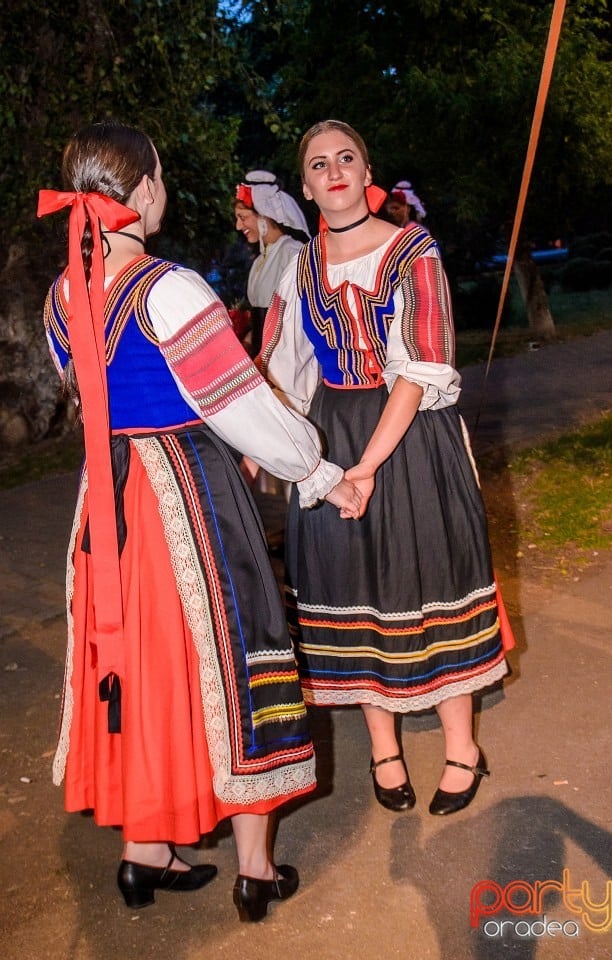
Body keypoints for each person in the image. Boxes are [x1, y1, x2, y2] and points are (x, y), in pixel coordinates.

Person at [37, 121, 360, 919]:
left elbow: (91, 400)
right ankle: (255, 869)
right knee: (236, 653)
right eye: (163, 178)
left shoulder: (58, 299)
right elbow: (242, 407)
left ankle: (145, 855)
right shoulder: (169, 288)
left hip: (107, 509)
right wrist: (317, 470)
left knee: (139, 668)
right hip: (183, 493)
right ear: (143, 190)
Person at [259, 120, 513, 817]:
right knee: (355, 587)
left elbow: (420, 366)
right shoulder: (298, 267)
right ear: (306, 185)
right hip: (332, 435)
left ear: (366, 168)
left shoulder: (412, 251)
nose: (334, 170)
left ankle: (461, 746)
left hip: (410, 438)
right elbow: (283, 370)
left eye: (346, 158)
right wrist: (274, 453)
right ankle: (384, 749)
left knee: (431, 576)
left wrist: (365, 466)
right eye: (319, 164)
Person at [234, 170, 310, 356]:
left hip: (290, 365)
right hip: (264, 364)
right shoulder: (260, 260)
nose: (238, 226)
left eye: (243, 218)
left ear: (264, 215)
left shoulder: (294, 254)